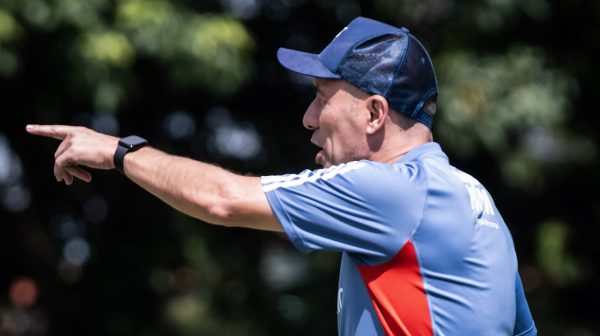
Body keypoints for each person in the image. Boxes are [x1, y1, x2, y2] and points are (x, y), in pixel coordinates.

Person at [27, 16, 536, 336]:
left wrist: (119, 151)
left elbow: (221, 199)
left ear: (376, 113)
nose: (308, 119)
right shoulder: (476, 200)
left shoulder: (386, 189)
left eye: (321, 98)